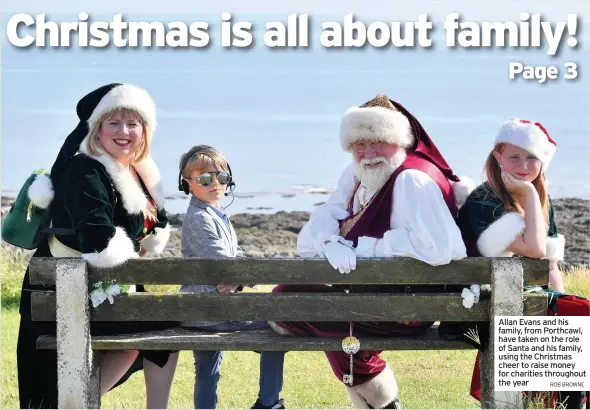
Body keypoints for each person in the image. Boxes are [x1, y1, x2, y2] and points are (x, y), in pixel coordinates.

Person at [269, 94, 472, 409]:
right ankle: (379, 400)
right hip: (369, 298)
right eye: (359, 144)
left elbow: (446, 248)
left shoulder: (412, 180)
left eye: (379, 141)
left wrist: (367, 247)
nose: (369, 152)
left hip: (406, 311)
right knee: (291, 299)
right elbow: (319, 223)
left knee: (288, 301)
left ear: (400, 140)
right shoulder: (358, 172)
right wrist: (327, 241)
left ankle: (385, 401)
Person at [19, 83, 179, 409]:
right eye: (114, 123)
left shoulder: (132, 172)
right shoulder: (86, 169)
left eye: (133, 123)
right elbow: (100, 244)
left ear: (144, 130)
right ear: (97, 128)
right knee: (167, 321)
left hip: (86, 293)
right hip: (64, 296)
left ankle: (79, 402)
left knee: (153, 330)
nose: (124, 131)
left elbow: (150, 231)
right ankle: (78, 403)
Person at [453, 118, 589, 409]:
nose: (524, 166)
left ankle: (572, 402)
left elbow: (550, 266)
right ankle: (571, 403)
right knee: (581, 316)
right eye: (514, 157)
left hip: (523, 295)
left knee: (574, 313)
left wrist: (560, 299)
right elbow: (536, 249)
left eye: (532, 158)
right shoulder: (484, 200)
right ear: (497, 156)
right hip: (485, 299)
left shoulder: (541, 199)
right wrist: (528, 193)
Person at [177, 145, 286, 409]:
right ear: (187, 184)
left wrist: (234, 278)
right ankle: (268, 403)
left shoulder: (215, 214)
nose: (215, 183)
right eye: (205, 178)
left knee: (207, 368)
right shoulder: (199, 218)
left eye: (222, 177)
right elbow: (225, 264)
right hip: (211, 311)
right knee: (279, 330)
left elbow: (233, 259)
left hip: (205, 310)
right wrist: (235, 276)